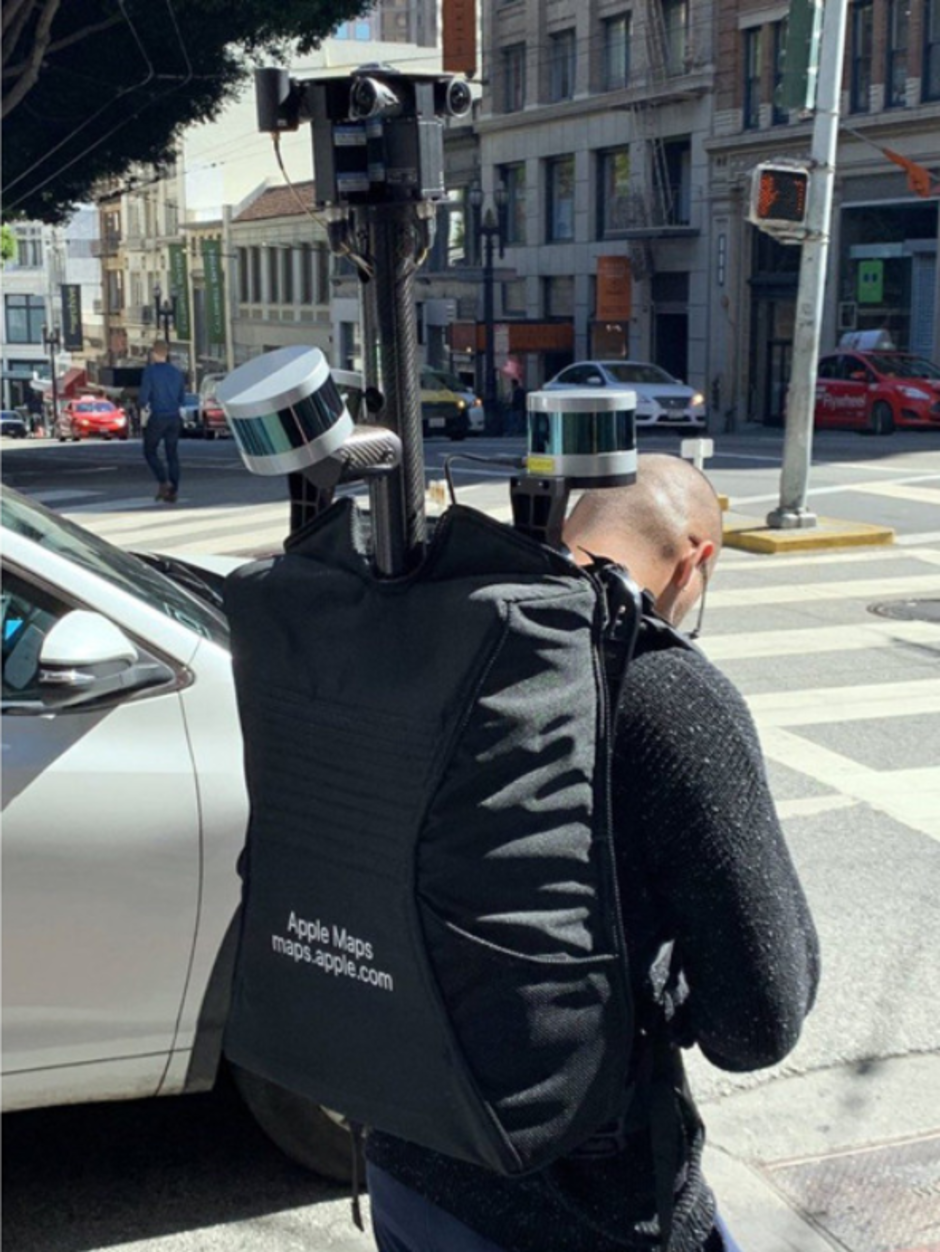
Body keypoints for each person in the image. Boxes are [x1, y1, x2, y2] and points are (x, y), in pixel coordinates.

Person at [365, 453, 820, 1252]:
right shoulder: (665, 692)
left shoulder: (437, 635)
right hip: (583, 1205)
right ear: (695, 559)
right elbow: (757, 1021)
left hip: (408, 1162)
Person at [139, 339, 185, 503]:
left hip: (158, 415)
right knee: (172, 453)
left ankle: (163, 481)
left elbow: (144, 397)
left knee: (149, 450)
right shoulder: (176, 372)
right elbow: (182, 397)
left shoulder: (150, 372)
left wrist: (142, 406)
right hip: (174, 417)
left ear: (154, 353)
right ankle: (174, 489)